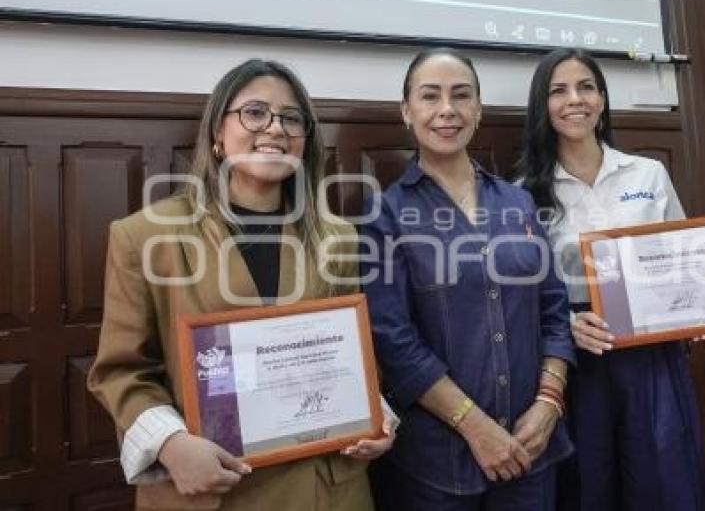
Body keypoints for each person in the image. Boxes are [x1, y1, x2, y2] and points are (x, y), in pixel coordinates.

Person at [87, 59, 393, 511]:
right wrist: (171, 445)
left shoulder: (340, 239)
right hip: (212, 489)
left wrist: (375, 419)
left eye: (291, 118)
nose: (274, 128)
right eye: (254, 112)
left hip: (324, 487)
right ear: (217, 133)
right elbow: (121, 372)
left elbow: (351, 354)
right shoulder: (145, 235)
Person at [518, 48, 705, 511]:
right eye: (557, 91)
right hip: (583, 358)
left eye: (586, 87)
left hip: (653, 353)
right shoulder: (523, 191)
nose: (574, 100)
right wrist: (565, 323)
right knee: (591, 486)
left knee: (664, 481)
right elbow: (525, 291)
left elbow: (687, 266)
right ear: (543, 106)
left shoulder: (647, 172)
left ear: (602, 99)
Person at [360, 47, 576, 511]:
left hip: (532, 449)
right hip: (439, 466)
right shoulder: (387, 215)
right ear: (406, 111)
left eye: (461, 96)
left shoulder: (517, 203)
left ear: (478, 109)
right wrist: (476, 427)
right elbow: (393, 340)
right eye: (429, 96)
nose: (447, 110)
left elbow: (554, 311)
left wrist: (548, 404)